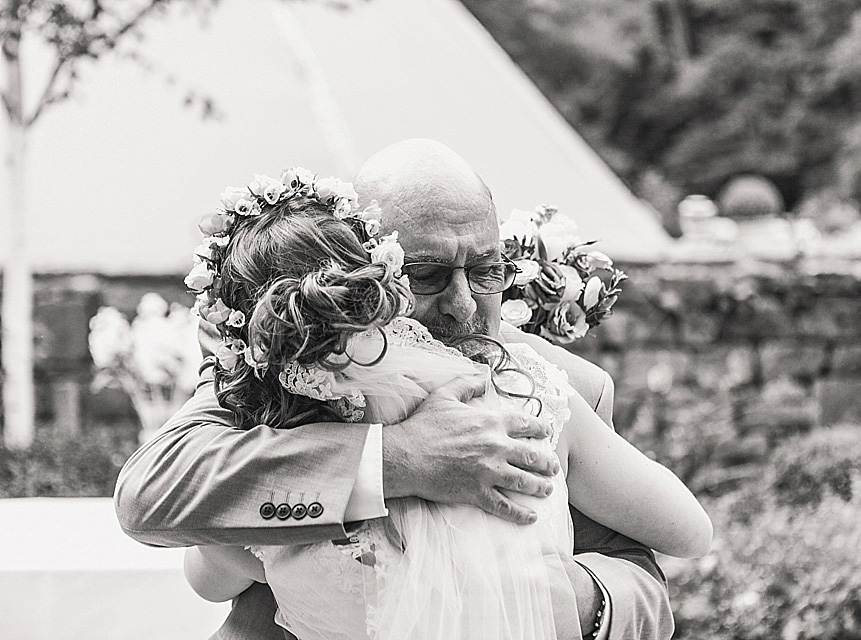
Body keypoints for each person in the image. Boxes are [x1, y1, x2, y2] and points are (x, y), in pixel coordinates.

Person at [115, 140, 687, 639]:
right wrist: (399, 461)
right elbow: (152, 493)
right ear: (360, 273)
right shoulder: (288, 370)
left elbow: (644, 577)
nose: (464, 305)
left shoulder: (564, 388)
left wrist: (567, 603)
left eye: (486, 270)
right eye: (427, 275)